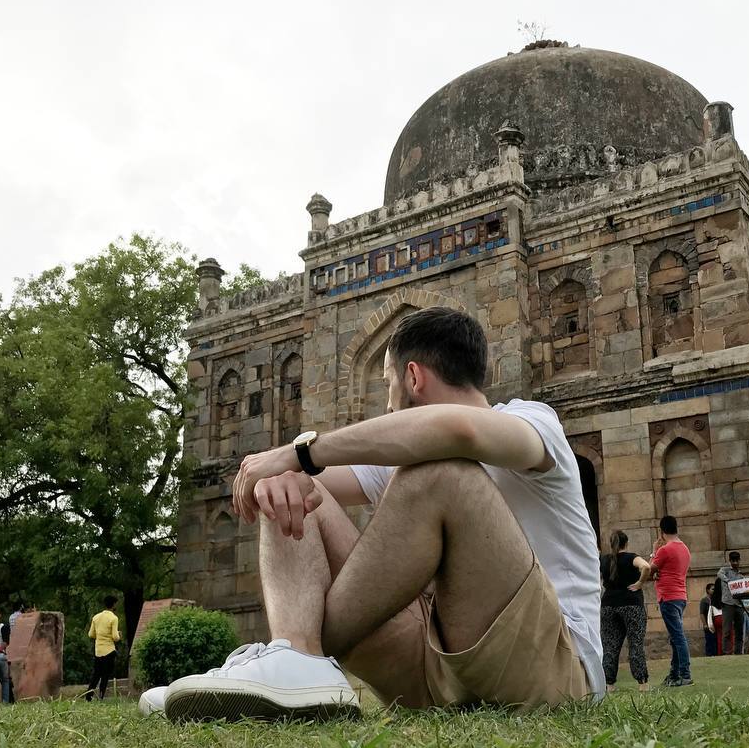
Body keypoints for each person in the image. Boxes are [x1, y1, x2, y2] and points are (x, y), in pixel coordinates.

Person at [163, 307, 605, 722]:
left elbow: (457, 431)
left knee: (441, 471)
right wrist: (284, 472)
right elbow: (306, 480)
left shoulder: (533, 422)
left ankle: (298, 657)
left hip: (554, 667)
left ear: (412, 377)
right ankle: (295, 657)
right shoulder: (400, 462)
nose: (387, 405)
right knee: (299, 487)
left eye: (387, 382)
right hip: (436, 671)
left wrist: (298, 452)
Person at [599, 530, 651, 691]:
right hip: (631, 603)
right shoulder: (631, 558)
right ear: (626, 543)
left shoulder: (604, 560)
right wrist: (640, 583)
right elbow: (646, 567)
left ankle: (608, 684)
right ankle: (642, 683)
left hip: (608, 604)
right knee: (635, 643)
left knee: (610, 646)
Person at [650, 515, 692, 687]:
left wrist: (653, 550)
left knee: (678, 637)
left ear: (662, 531)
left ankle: (684, 674)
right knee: (675, 638)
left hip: (668, 597)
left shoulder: (665, 550)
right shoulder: (684, 548)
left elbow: (648, 569)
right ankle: (674, 674)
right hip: (680, 596)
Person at [86, 596, 121, 700]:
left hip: (98, 651)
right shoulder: (113, 618)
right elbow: (115, 637)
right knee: (105, 676)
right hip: (109, 650)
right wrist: (119, 636)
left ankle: (89, 696)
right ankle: (101, 696)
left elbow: (91, 634)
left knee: (96, 675)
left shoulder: (96, 617)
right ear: (114, 604)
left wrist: (100, 636)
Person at [716, 550, 747, 655]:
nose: (735, 563)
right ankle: (726, 652)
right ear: (730, 561)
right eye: (733, 561)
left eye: (736, 561)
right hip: (728, 603)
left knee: (739, 630)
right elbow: (719, 574)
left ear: (739, 561)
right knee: (727, 630)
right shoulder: (725, 570)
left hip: (739, 604)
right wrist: (728, 581)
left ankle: (738, 652)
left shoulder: (740, 575)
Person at [700, 583, 721, 657]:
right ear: (707, 590)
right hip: (708, 624)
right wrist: (705, 624)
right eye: (712, 589)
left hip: (715, 624)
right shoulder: (704, 600)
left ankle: (715, 655)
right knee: (709, 640)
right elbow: (702, 613)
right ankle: (709, 655)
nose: (714, 591)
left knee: (716, 640)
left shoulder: (715, 600)